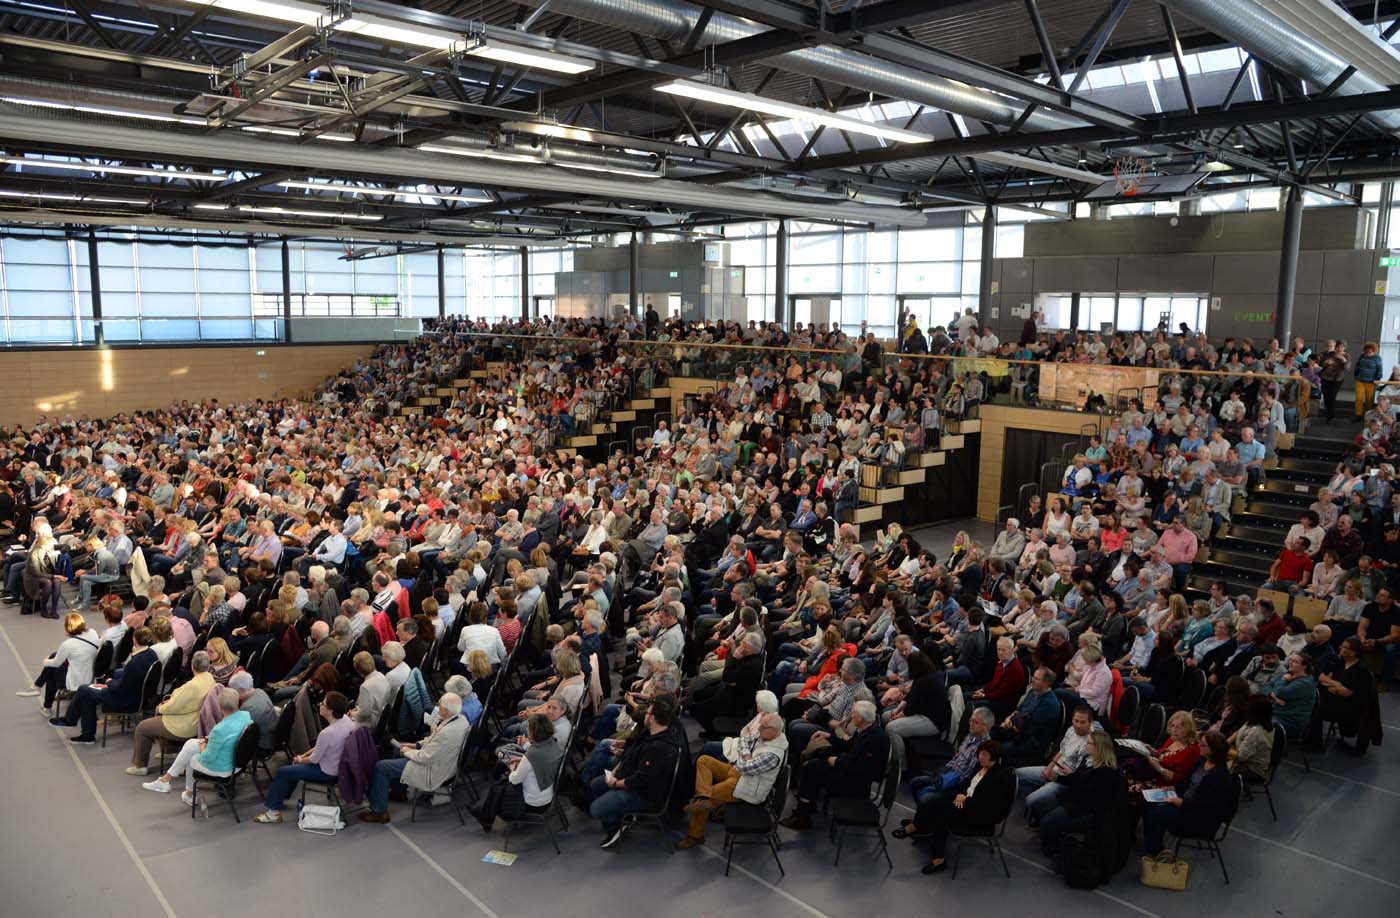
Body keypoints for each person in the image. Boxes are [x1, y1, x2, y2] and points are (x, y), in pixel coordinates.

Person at [677, 711, 787, 849]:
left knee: (709, 796)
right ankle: (703, 797)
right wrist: (746, 755)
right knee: (704, 761)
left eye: (763, 727)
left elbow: (744, 768)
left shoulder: (773, 755)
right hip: (738, 773)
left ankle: (695, 836)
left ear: (775, 731)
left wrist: (743, 758)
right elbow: (743, 739)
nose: (758, 729)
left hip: (746, 788)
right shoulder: (765, 734)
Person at [590, 693, 682, 850]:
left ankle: (615, 830)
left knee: (596, 809)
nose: (645, 714)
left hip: (645, 794)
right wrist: (614, 771)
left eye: (648, 712)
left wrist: (616, 783)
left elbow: (641, 779)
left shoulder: (659, 747)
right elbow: (629, 754)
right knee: (596, 785)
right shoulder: (648, 733)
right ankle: (620, 818)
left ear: (652, 718)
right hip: (631, 778)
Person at [781, 699, 889, 831]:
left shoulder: (874, 739)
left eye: (853, 713)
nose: (851, 715)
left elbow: (863, 770)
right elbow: (849, 746)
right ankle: (807, 802)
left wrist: (837, 761)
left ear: (860, 718)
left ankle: (803, 815)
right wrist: (828, 737)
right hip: (850, 770)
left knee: (813, 768)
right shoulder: (865, 730)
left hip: (856, 785)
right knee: (816, 759)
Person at [361, 693, 470, 823]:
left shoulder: (446, 732)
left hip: (431, 770)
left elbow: (425, 757)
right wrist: (415, 745)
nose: (437, 707)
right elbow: (435, 742)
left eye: (439, 706)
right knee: (397, 750)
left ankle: (379, 812)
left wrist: (407, 751)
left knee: (381, 767)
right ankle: (400, 792)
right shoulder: (461, 720)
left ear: (446, 710)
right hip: (444, 762)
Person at [911, 740, 1015, 875]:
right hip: (966, 804)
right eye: (980, 754)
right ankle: (925, 832)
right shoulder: (980, 766)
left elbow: (987, 805)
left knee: (940, 811)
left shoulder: (999, 777)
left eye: (985, 755)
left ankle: (937, 857)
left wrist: (965, 799)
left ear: (994, 756)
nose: (981, 757)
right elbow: (966, 783)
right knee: (939, 804)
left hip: (981, 815)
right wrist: (961, 794)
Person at [254, 691, 354, 823]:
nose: (320, 705)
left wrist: (301, 759)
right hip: (337, 766)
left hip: (327, 772)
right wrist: (304, 755)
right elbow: (321, 746)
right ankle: (281, 796)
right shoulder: (346, 721)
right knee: (293, 768)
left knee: (283, 771)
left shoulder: (327, 733)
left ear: (330, 710)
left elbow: (314, 759)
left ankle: (273, 813)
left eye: (323, 704)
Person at [140, 688, 252, 807]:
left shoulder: (220, 730)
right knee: (190, 744)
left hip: (224, 767)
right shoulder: (246, 716)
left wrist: (204, 744)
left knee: (192, 756)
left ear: (220, 707)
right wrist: (210, 740)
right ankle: (167, 781)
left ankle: (187, 792)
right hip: (239, 761)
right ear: (237, 702)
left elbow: (207, 758)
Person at [52, 625, 159, 744]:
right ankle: (86, 733)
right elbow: (129, 679)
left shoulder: (135, 663)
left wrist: (108, 683)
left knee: (83, 689)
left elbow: (120, 688)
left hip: (124, 700)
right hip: (137, 695)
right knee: (87, 695)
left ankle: (73, 721)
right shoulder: (151, 654)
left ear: (135, 639)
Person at [1142, 732, 1235, 855]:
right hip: (1186, 803)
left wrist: (1181, 803)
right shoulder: (1202, 761)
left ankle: (1155, 853)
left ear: (1214, 750)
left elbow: (1209, 807)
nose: (1199, 746)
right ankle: (1153, 844)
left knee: (1155, 816)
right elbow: (1187, 781)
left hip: (1199, 818)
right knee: (1146, 803)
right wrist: (1172, 788)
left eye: (1203, 745)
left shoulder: (1221, 776)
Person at [1038, 730, 1123, 857]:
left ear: (1099, 748)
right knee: (1043, 807)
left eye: (1089, 743)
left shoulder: (1106, 773)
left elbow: (1088, 796)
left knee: (1047, 821)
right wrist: (1061, 777)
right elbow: (1078, 781)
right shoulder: (1088, 759)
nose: (1085, 746)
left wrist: (1071, 778)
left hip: (1086, 811)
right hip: (1076, 801)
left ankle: (1055, 850)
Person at [128, 650, 214, 775]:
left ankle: (140, 766)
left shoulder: (191, 686)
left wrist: (160, 708)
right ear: (208, 665)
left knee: (142, 727)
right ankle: (169, 750)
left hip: (184, 725)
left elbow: (173, 707)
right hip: (196, 722)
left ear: (192, 665)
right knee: (157, 721)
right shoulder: (210, 678)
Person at [1015, 705, 1098, 826]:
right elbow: (1061, 751)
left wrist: (1056, 776)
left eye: (1083, 722)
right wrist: (1049, 768)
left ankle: (1039, 812)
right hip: (1054, 769)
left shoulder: (1092, 741)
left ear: (1091, 722)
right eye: (1076, 721)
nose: (1078, 725)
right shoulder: (1071, 730)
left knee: (1031, 800)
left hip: (1064, 780)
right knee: (1017, 775)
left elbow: (1079, 775)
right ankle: (1037, 809)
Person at [17, 611, 101, 716]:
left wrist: (45, 660)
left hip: (76, 680)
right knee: (54, 655)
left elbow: (56, 663)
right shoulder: (92, 632)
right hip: (89, 673)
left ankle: (44, 703)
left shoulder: (68, 644)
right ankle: (37, 688)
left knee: (51, 674)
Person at [1228, 695, 1274, 780]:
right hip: (1243, 757)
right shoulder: (1255, 720)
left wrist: (1221, 748)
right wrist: (1226, 742)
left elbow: (1240, 757)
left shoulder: (1256, 732)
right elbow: (1238, 731)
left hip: (1251, 770)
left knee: (1216, 767)